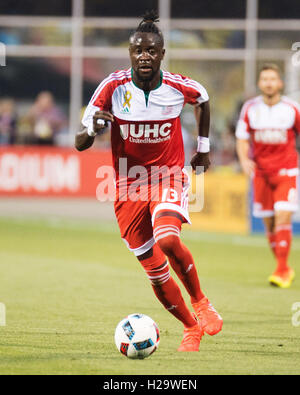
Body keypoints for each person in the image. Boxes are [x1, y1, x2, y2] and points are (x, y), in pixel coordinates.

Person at [76, 11, 223, 352]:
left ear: (161, 54)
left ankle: (200, 301)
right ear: (130, 53)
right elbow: (79, 142)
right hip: (127, 186)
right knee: (155, 272)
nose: (144, 55)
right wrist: (94, 128)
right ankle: (190, 327)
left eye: (151, 50)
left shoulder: (176, 86)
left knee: (168, 239)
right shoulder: (112, 86)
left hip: (167, 176)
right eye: (138, 50)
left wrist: (203, 149)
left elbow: (201, 98)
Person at [236, 64, 300, 288]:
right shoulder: (250, 108)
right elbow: (242, 138)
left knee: (283, 217)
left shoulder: (293, 108)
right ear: (259, 83)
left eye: (273, 79)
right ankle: (283, 267)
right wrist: (244, 160)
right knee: (270, 223)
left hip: (287, 171)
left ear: (280, 83)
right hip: (261, 174)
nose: (269, 83)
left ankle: (281, 270)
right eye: (265, 79)